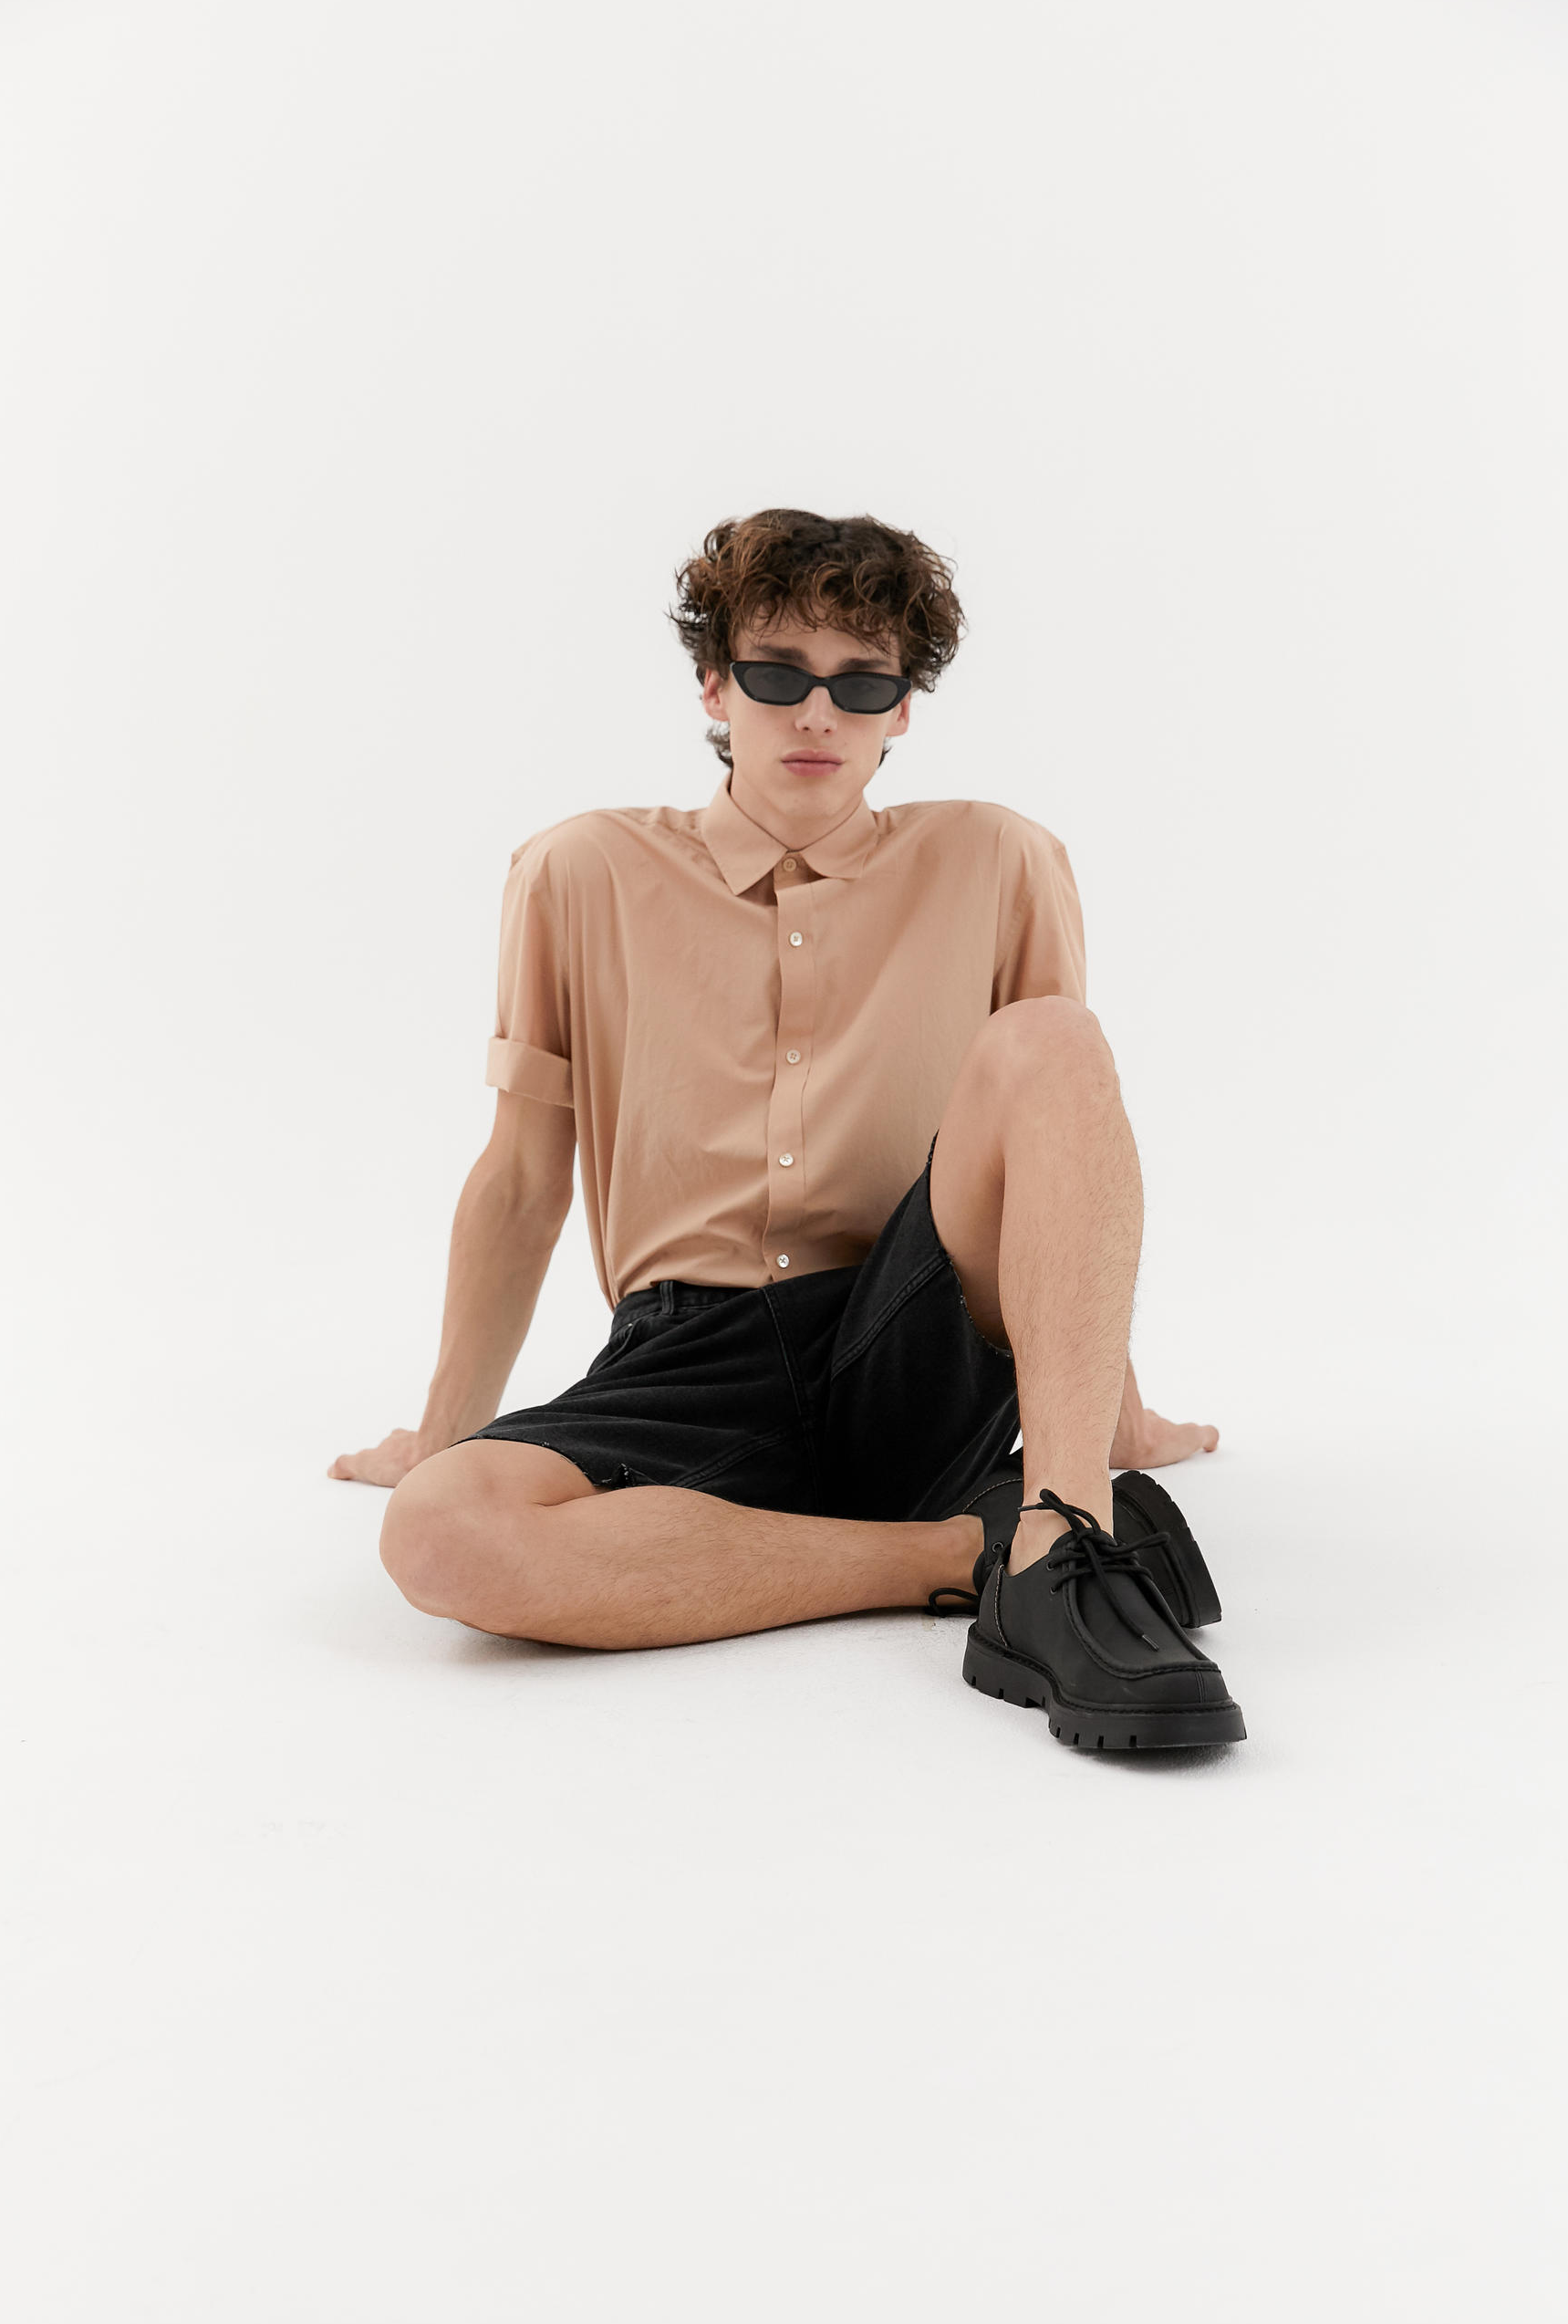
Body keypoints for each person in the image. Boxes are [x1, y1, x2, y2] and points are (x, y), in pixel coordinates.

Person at [331, 509, 1245, 1751]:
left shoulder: (1002, 860)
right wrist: (442, 1433)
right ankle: (969, 1553)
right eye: (778, 675)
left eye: (861, 682)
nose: (819, 715)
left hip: (913, 1331)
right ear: (715, 686)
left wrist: (1114, 1424)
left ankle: (1065, 1535)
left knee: (1056, 1039)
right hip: (683, 1356)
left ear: (902, 708)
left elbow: (1059, 1141)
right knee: (440, 1531)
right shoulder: (578, 871)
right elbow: (522, 1175)